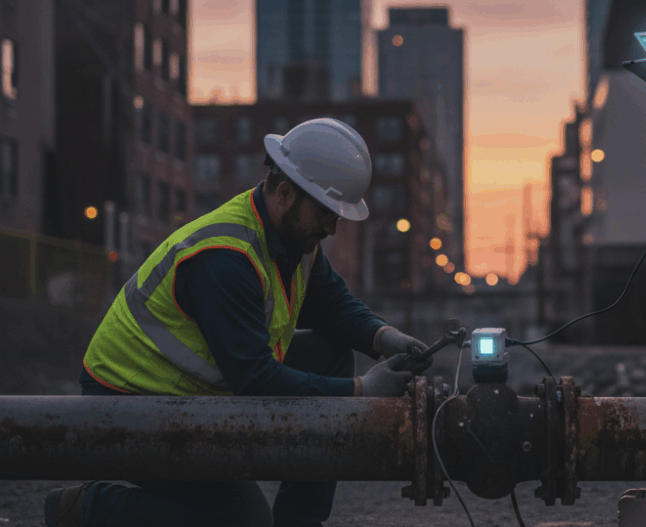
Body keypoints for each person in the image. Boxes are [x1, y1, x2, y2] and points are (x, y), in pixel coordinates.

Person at [44, 118, 434, 527]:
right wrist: (362, 391)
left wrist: (383, 336)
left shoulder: (295, 238)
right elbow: (255, 379)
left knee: (329, 355)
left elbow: (332, 304)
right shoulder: (225, 258)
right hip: (128, 400)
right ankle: (89, 508)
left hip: (189, 390)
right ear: (284, 194)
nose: (333, 227)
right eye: (325, 213)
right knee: (243, 520)